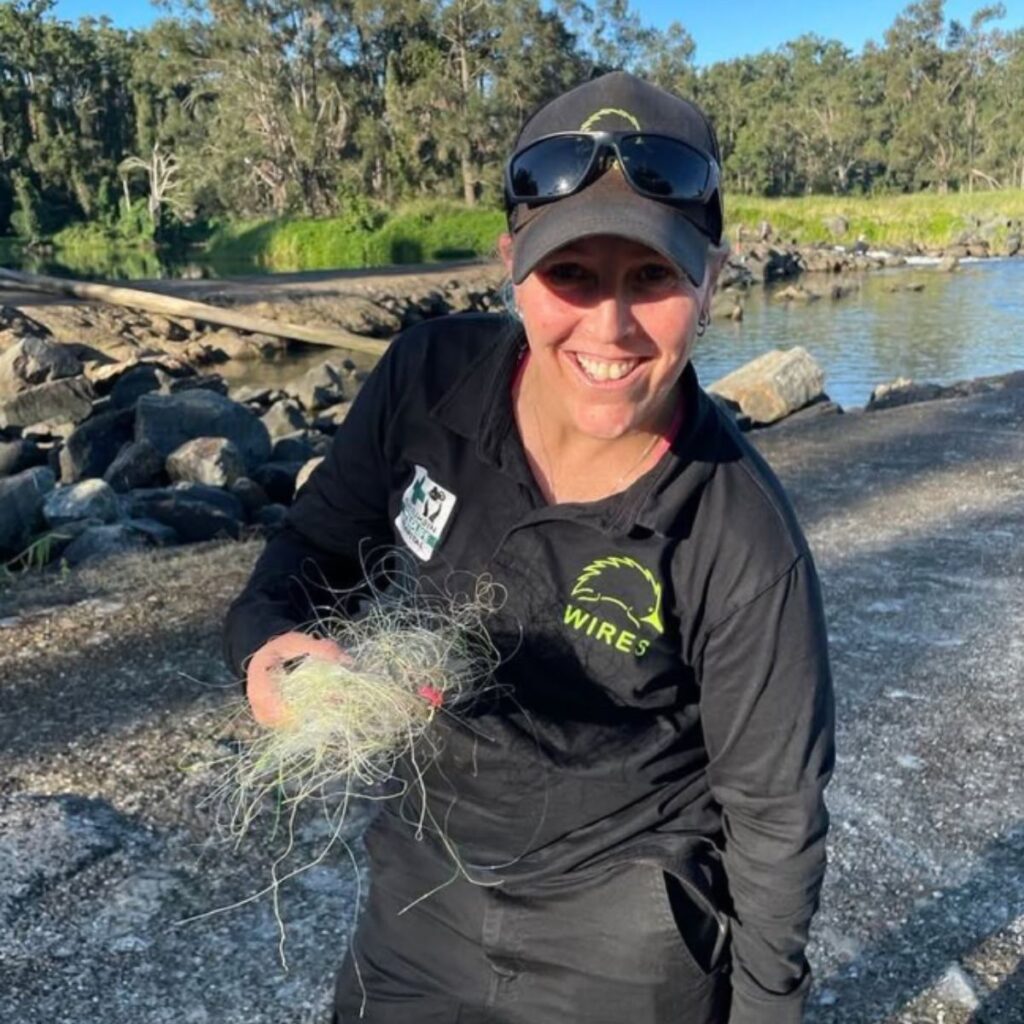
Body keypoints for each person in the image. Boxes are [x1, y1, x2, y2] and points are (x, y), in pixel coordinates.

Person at [223, 70, 835, 1024]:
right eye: (571, 275)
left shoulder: (740, 534)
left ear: (713, 277)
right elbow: (309, 555)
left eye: (653, 278)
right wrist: (267, 645)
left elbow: (776, 818)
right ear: (512, 261)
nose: (610, 327)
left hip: (625, 929)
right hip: (423, 882)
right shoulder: (429, 380)